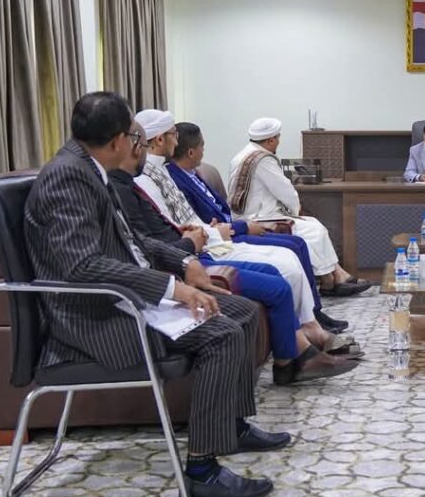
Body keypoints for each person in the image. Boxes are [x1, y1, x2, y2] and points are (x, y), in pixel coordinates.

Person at [24, 91, 290, 497]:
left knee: (241, 312)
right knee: (221, 334)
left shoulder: (91, 167)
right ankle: (202, 471)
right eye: (134, 136)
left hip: (124, 298)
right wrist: (172, 288)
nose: (139, 144)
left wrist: (183, 263)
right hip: (96, 316)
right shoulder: (68, 178)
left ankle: (231, 427)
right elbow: (81, 266)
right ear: (117, 141)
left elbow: (131, 241)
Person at [109, 128, 360, 384]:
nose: (144, 152)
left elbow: (161, 230)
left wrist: (190, 235)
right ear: (124, 145)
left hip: (196, 246)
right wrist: (190, 246)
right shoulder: (131, 186)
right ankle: (293, 358)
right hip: (187, 259)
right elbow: (144, 247)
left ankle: (304, 340)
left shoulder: (142, 179)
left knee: (279, 265)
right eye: (140, 144)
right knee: (278, 283)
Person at [132, 111, 340, 350]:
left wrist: (209, 231)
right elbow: (171, 232)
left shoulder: (161, 171)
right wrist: (214, 234)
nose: (177, 141)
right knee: (288, 264)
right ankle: (299, 345)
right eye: (173, 135)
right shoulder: (145, 179)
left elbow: (186, 221)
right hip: (202, 249)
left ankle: (311, 322)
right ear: (159, 140)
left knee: (295, 247)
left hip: (210, 237)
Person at [228, 117, 370, 296]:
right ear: (271, 140)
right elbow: (285, 190)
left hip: (248, 214)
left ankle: (335, 276)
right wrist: (296, 210)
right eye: (278, 138)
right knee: (313, 230)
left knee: (313, 225)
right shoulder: (263, 160)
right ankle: (330, 279)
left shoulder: (242, 155)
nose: (278, 141)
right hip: (257, 218)